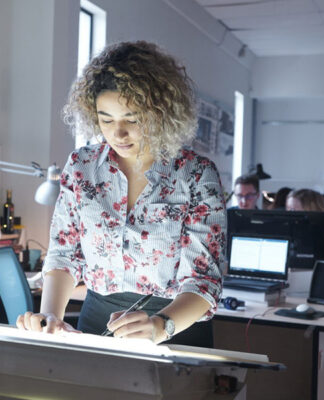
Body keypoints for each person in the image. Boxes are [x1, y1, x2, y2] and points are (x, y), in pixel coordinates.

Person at [17, 41, 226, 346]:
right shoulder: (81, 166)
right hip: (96, 322)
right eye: (106, 119)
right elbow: (64, 254)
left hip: (176, 325)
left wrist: (161, 326)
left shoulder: (196, 174)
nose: (118, 134)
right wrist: (50, 316)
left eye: (132, 119)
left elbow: (204, 279)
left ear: (161, 112)